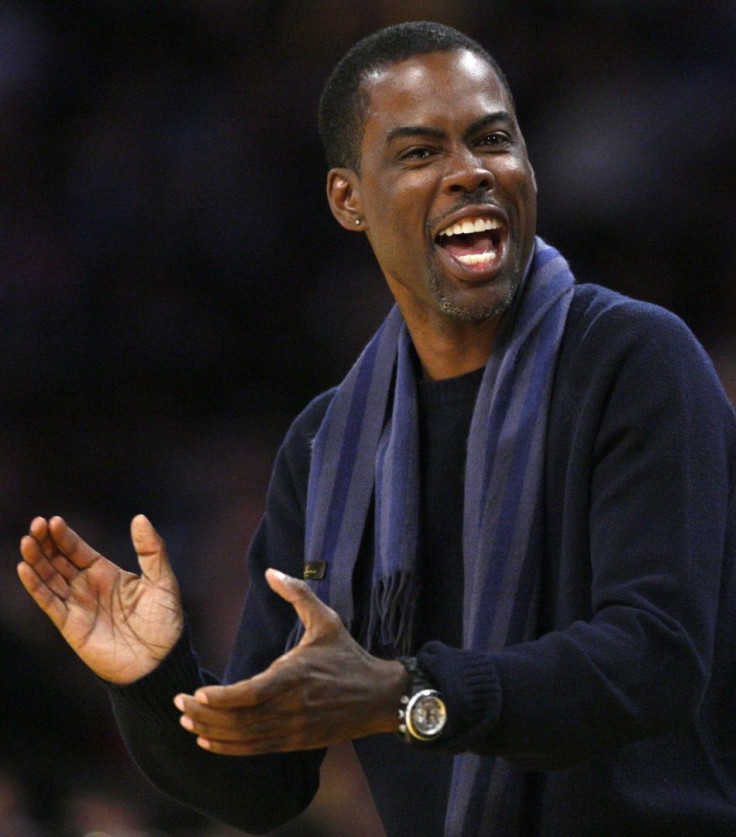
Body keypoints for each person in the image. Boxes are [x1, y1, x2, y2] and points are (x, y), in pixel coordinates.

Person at [17, 21, 736, 837]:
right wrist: (153, 679)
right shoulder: (328, 446)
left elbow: (655, 659)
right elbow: (262, 785)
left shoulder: (634, 361)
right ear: (347, 199)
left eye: (493, 139)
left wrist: (406, 693)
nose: (470, 172)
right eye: (421, 152)